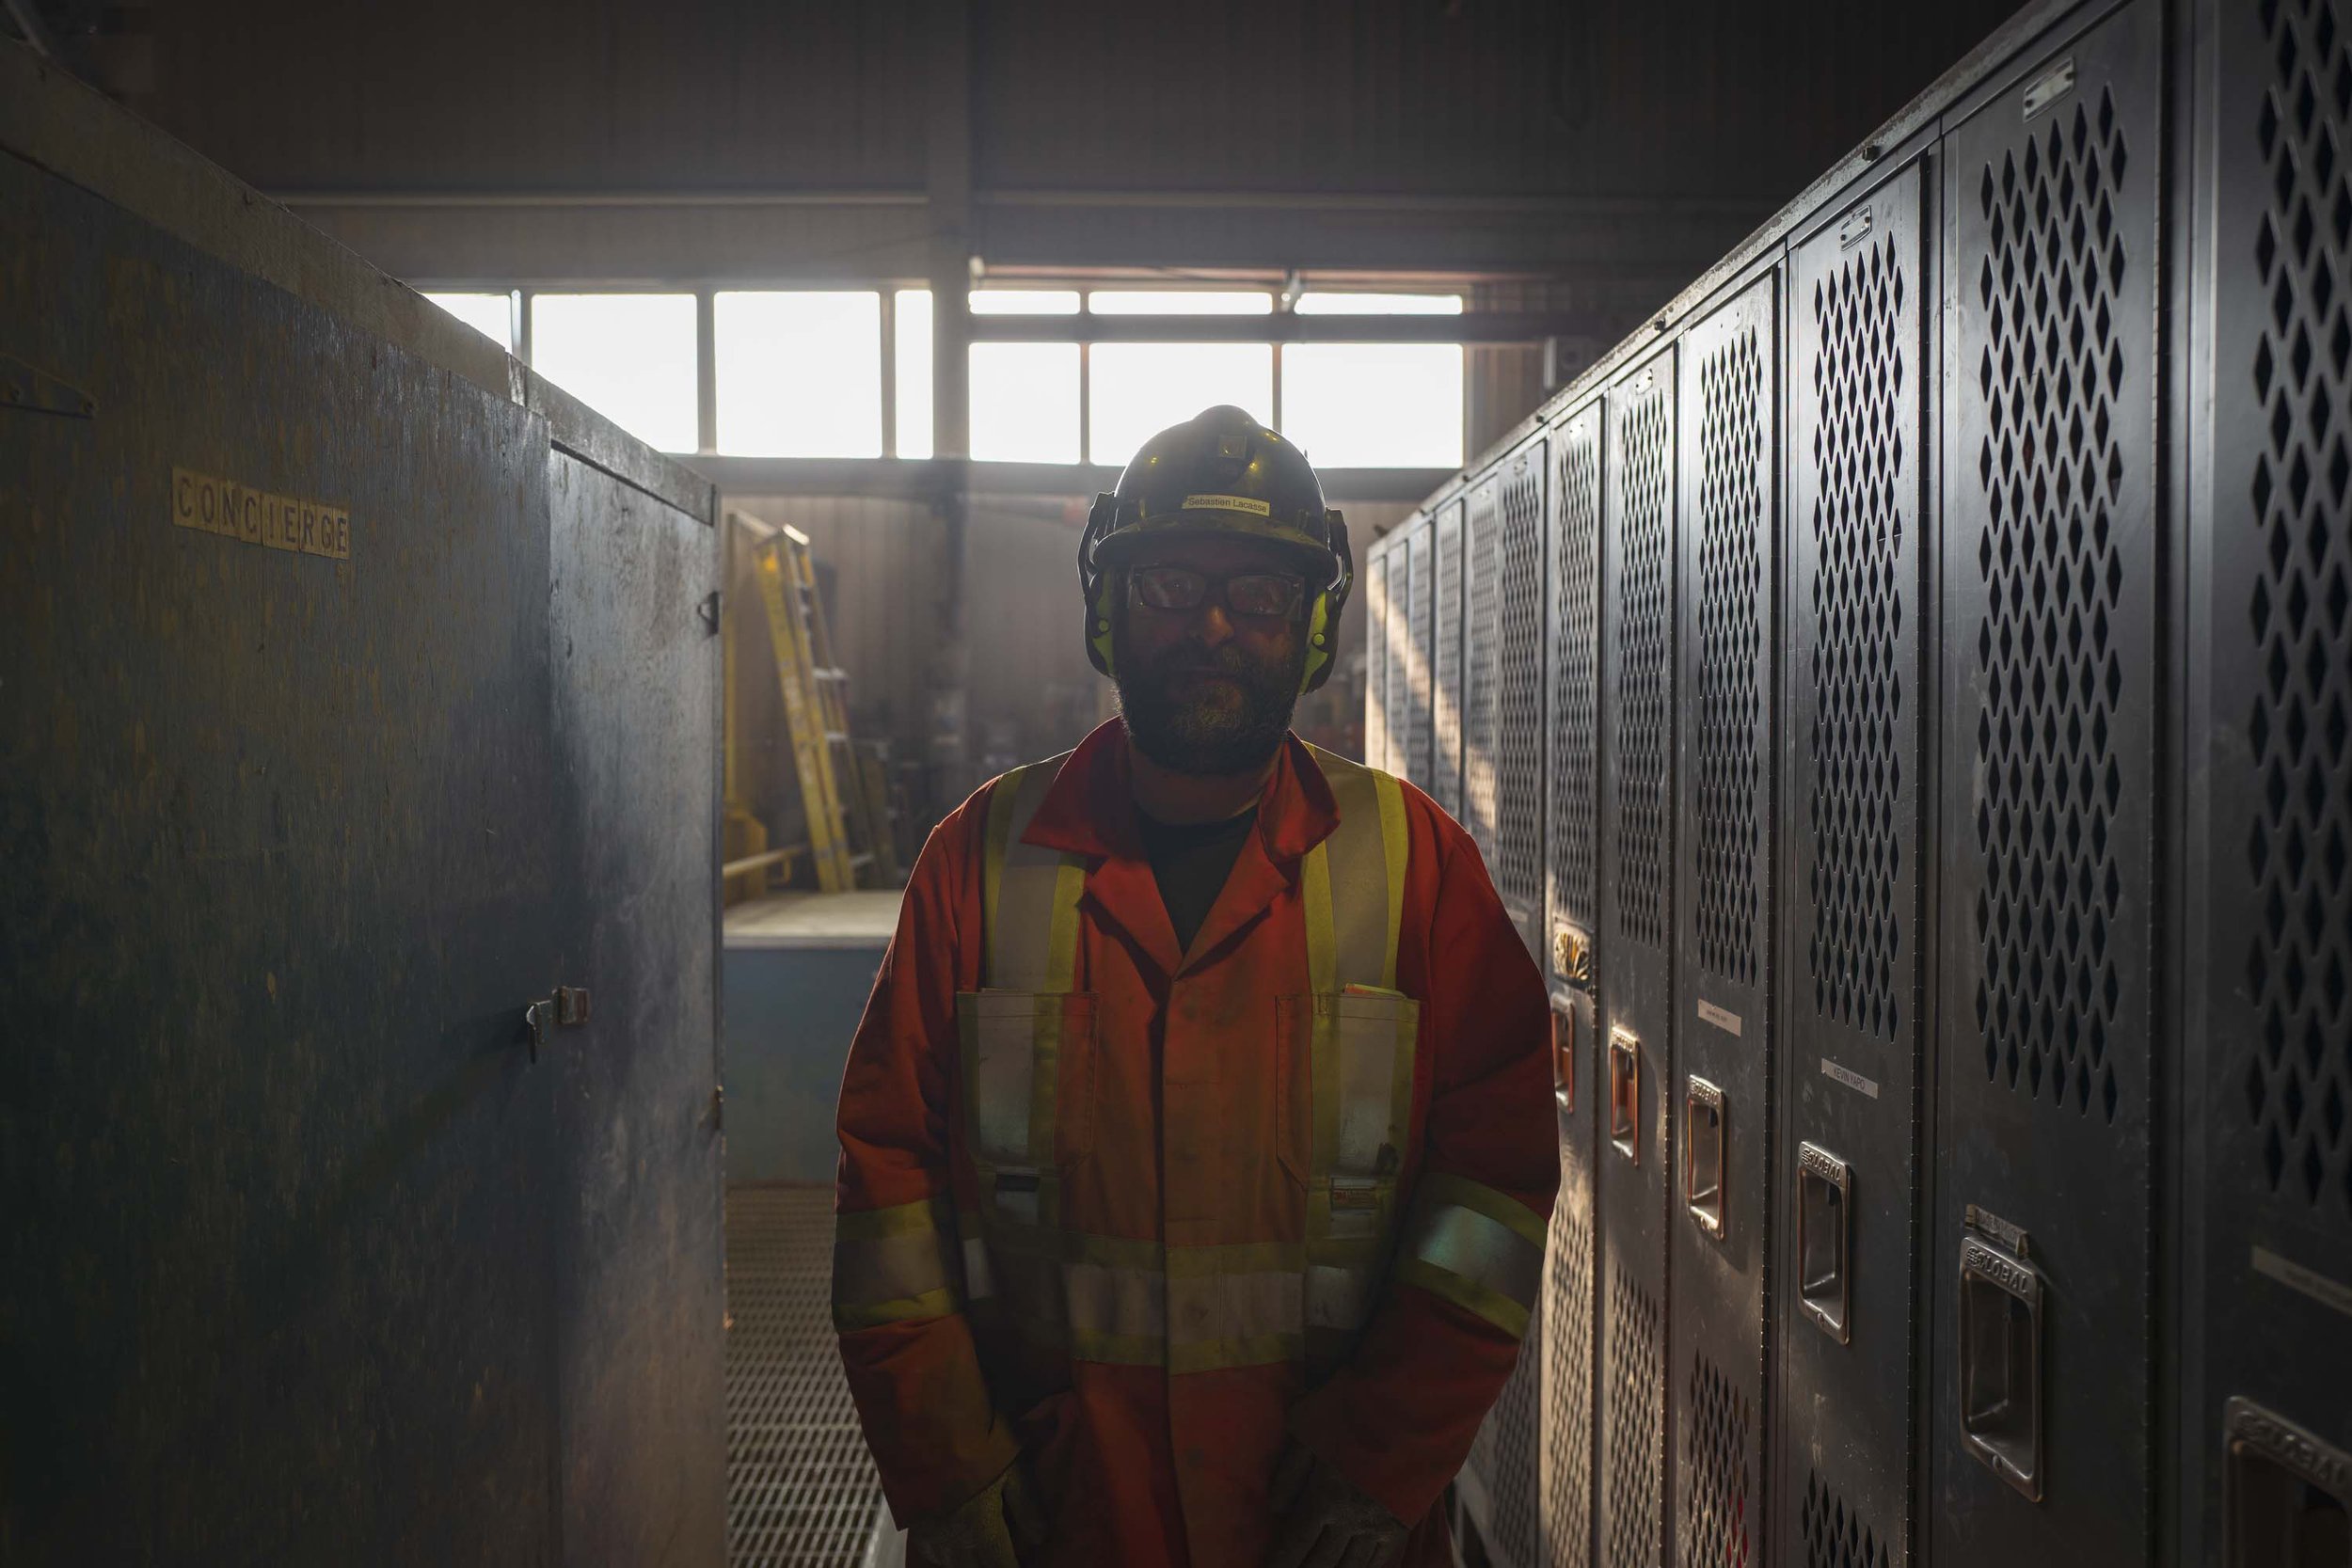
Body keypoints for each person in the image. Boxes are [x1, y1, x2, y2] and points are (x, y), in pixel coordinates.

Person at [831, 405, 1556, 1568]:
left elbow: (1494, 1188)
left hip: (1320, 1530)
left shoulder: (1417, 870)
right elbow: (887, 1196)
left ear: (1313, 623)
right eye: (1168, 582)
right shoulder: (976, 864)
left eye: (1259, 594)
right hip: (1045, 1520)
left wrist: (1386, 1452)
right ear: (1107, 611)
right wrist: (947, 1468)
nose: (1213, 624)